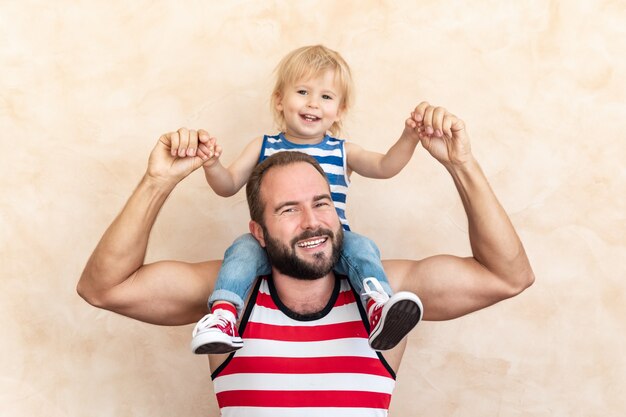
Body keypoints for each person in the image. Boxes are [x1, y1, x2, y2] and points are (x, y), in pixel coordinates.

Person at [77, 101, 534, 416]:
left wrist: (462, 164)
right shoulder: (231, 296)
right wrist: (157, 181)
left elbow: (506, 277)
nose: (312, 222)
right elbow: (104, 287)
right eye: (288, 209)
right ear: (257, 232)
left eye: (321, 203)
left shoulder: (384, 293)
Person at [186, 45, 424, 355]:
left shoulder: (343, 151)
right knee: (241, 250)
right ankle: (223, 317)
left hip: (331, 246)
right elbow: (228, 185)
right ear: (280, 100)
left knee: (362, 246)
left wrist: (410, 137)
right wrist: (212, 164)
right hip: (275, 245)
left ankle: (376, 307)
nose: (313, 103)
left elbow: (385, 167)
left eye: (326, 96)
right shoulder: (263, 145)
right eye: (302, 91)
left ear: (339, 110)